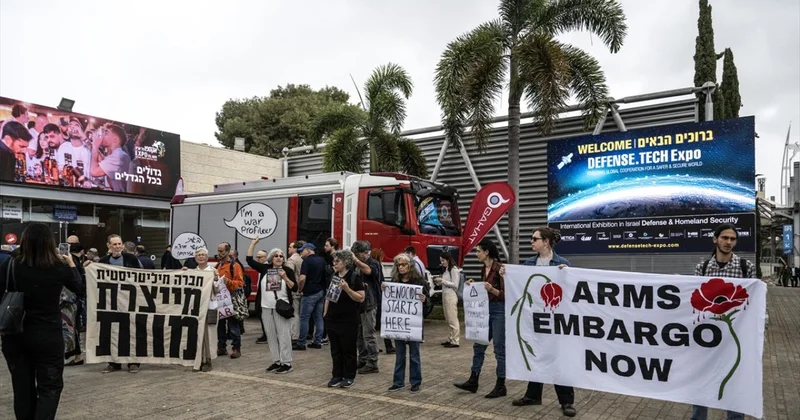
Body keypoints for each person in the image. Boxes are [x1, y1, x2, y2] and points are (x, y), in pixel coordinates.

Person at [0, 222, 83, 420]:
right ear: (49, 242)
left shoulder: (10, 264)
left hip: (15, 333)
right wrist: (72, 264)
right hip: (48, 334)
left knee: (22, 388)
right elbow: (80, 288)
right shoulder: (58, 267)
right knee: (50, 387)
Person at [691, 223, 755, 420]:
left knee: (734, 383)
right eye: (725, 238)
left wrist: (758, 332)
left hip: (734, 337)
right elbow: (693, 305)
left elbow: (756, 303)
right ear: (715, 239)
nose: (729, 242)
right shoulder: (701, 269)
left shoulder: (746, 268)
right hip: (707, 338)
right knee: (701, 381)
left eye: (732, 239)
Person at [510, 226, 576, 417]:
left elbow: (571, 294)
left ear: (545, 242)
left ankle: (566, 401)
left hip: (555, 321)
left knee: (558, 359)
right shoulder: (529, 263)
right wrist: (507, 276)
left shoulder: (562, 264)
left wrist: (568, 275)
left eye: (534, 239)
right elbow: (520, 286)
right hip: (534, 318)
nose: (531, 242)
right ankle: (533, 395)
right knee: (536, 356)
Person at [454, 238, 506, 399]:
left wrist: (493, 290)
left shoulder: (500, 269)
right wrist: (473, 284)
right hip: (486, 310)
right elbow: (483, 289)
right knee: (479, 346)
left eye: (478, 251)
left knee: (499, 349)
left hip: (498, 311)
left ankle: (500, 385)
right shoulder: (484, 269)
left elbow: (507, 294)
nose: (476, 253)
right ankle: (473, 380)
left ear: (486, 252)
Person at [247, 238, 297, 374]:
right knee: (271, 335)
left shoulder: (287, 270)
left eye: (281, 256)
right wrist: (253, 243)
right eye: (276, 255)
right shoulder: (265, 269)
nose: (279, 258)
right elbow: (249, 260)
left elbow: (295, 288)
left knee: (284, 335)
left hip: (281, 308)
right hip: (265, 307)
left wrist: (285, 277)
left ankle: (286, 362)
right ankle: (276, 361)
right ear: (271, 258)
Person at [98, 234, 144, 374]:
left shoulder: (131, 259)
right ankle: (114, 363)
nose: (117, 246)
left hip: (129, 302)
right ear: (108, 246)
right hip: (110, 303)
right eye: (115, 244)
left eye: (119, 244)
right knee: (111, 332)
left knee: (131, 331)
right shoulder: (103, 261)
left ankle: (133, 362)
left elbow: (141, 276)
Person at [385, 253, 428, 393]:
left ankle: (415, 382)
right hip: (399, 324)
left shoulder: (419, 281)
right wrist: (385, 291)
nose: (401, 267)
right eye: (399, 265)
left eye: (404, 264)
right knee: (400, 354)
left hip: (413, 324)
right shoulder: (394, 281)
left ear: (410, 266)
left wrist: (424, 300)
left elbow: (428, 304)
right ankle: (398, 382)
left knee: (414, 354)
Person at [323, 250, 365, 388]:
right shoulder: (333, 276)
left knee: (348, 349)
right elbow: (329, 296)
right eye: (334, 261)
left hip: (348, 319)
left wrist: (347, 289)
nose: (334, 264)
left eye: (337, 261)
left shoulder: (354, 277)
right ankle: (337, 375)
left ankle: (349, 375)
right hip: (332, 318)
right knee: (335, 349)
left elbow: (361, 297)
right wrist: (325, 313)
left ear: (345, 263)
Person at [185, 247, 219, 372]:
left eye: (203, 255)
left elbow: (217, 290)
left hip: (210, 306)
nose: (201, 257)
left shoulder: (213, 271)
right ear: (195, 258)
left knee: (209, 334)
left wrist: (216, 279)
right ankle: (198, 359)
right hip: (197, 308)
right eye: (198, 255)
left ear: (207, 257)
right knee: (197, 333)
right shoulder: (193, 272)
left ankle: (208, 360)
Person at [352, 240, 384, 374]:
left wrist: (355, 261)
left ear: (364, 253)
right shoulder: (356, 265)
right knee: (359, 334)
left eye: (357, 254)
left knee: (368, 334)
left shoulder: (373, 263)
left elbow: (369, 271)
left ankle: (373, 362)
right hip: (358, 303)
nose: (355, 256)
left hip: (370, 303)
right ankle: (363, 358)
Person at [295, 243, 327, 351]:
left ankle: (301, 343)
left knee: (304, 318)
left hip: (309, 293)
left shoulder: (307, 261)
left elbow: (302, 278)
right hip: (321, 292)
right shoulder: (322, 260)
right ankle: (318, 341)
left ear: (308, 251)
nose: (300, 253)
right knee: (319, 317)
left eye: (302, 251)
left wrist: (300, 289)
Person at [215, 242, 244, 358]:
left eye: (221, 251)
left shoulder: (234, 266)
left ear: (228, 251)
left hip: (231, 300)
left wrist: (229, 282)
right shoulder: (218, 266)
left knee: (233, 325)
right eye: (218, 250)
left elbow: (240, 283)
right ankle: (221, 347)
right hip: (220, 300)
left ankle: (236, 348)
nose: (219, 253)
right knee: (220, 326)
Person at [90, 123, 131, 192]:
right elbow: (102, 161)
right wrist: (93, 144)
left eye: (106, 133)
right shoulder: (115, 155)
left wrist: (95, 147)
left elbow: (94, 172)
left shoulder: (119, 156)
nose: (102, 136)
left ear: (115, 139)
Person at [63, 242, 86, 365]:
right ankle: (77, 354)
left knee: (72, 327)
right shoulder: (78, 262)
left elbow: (77, 283)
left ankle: (76, 354)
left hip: (70, 301)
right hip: (76, 299)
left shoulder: (71, 263)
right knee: (74, 326)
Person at [371, 248, 395, 354]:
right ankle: (388, 346)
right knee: (383, 323)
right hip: (378, 297)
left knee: (373, 325)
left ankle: (374, 346)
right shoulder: (377, 265)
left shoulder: (371, 265)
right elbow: (381, 280)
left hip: (373, 298)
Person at [436, 252, 461, 348]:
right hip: (445, 294)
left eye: (443, 260)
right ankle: (450, 338)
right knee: (448, 318)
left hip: (451, 295)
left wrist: (443, 281)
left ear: (448, 260)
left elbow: (455, 284)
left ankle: (455, 340)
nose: (442, 262)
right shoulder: (446, 270)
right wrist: (439, 282)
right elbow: (447, 283)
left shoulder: (454, 270)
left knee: (452, 318)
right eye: (441, 261)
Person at [285, 240, 306, 345]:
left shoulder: (292, 260)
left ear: (295, 249)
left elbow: (289, 273)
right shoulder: (302, 259)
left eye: (290, 247)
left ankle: (294, 335)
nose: (289, 249)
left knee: (295, 313)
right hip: (302, 290)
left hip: (295, 290)